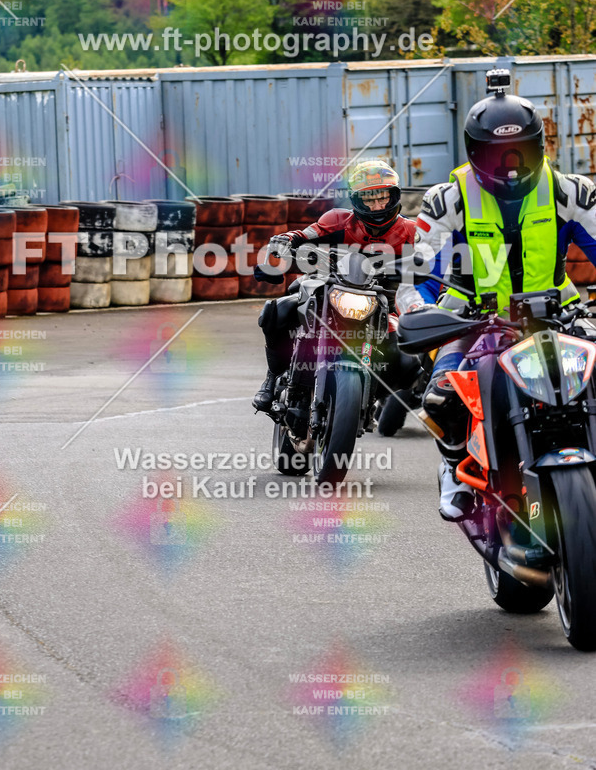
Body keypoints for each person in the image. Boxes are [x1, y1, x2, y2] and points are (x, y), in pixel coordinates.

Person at [396, 69, 596, 520]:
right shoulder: (448, 200)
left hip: (559, 314)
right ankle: (453, 466)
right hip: (473, 321)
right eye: (497, 153)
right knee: (442, 397)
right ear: (473, 152)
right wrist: (421, 311)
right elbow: (417, 275)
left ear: (539, 146)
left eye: (521, 151)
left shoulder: (571, 191)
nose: (511, 165)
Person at [253, 158, 420, 413]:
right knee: (277, 311)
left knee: (410, 358)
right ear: (356, 200)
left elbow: (436, 260)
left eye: (382, 198)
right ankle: (273, 377)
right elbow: (302, 235)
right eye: (369, 199)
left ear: (394, 195)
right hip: (331, 286)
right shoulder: (338, 220)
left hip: (385, 299)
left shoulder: (411, 231)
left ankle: (372, 393)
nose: (376, 205)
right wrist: (281, 245)